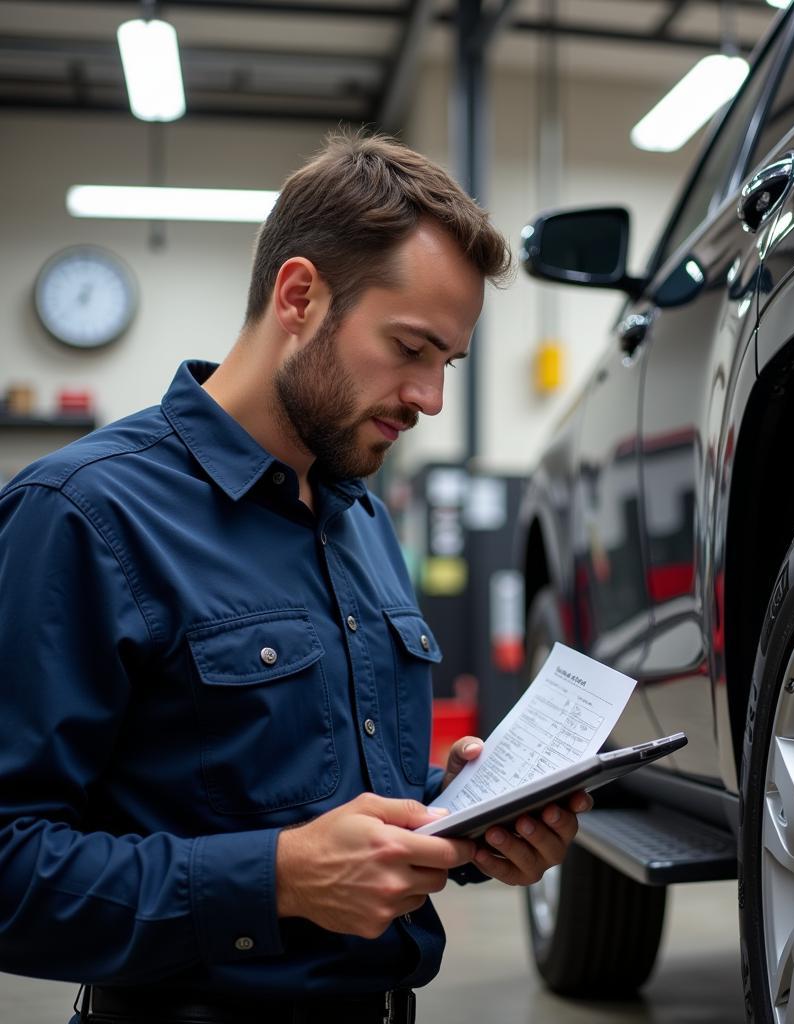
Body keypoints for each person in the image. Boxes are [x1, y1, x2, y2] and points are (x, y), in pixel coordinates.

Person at [0, 130, 591, 1024]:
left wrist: (464, 819)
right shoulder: (82, 514)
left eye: (448, 365)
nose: (431, 399)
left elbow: (318, 796)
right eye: (410, 348)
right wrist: (273, 881)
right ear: (300, 296)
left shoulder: (361, 520)